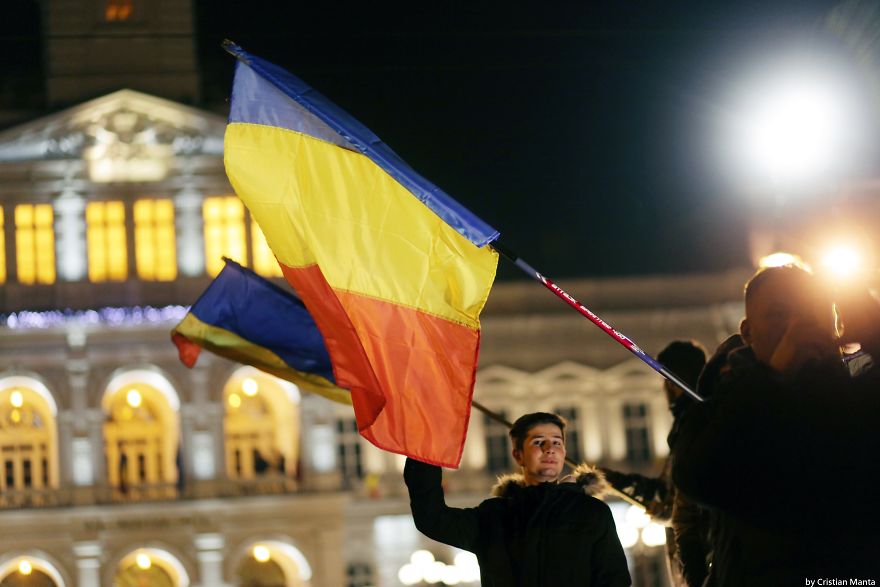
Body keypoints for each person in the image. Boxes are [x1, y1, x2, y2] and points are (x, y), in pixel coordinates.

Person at [672, 265, 880, 585]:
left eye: (811, 314)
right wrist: (775, 377)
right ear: (747, 331)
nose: (796, 327)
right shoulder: (719, 403)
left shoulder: (856, 398)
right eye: (778, 314)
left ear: (836, 324)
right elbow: (700, 477)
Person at [404, 412, 631, 586]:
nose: (550, 449)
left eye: (557, 442)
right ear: (518, 455)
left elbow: (615, 580)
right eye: (538, 441)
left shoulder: (591, 512)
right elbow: (431, 518)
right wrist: (427, 448)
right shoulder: (493, 515)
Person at [600, 340, 710, 587]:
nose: (664, 387)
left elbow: (688, 503)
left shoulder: (696, 423)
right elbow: (669, 492)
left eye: (666, 378)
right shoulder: (687, 423)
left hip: (704, 557)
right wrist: (617, 482)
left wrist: (667, 512)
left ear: (674, 381)